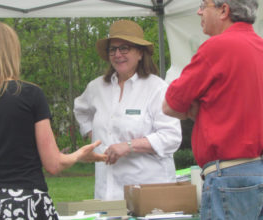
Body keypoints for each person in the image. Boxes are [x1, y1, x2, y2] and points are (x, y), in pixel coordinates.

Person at [0, 21, 107, 219]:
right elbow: (53, 164)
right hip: (28, 201)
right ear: (10, 51)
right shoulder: (31, 95)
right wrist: (78, 155)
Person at [162, 0, 263, 219]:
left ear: (224, 10)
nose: (199, 11)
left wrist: (196, 108)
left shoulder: (216, 47)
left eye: (203, 5)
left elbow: (170, 104)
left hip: (231, 176)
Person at [74, 20, 182, 201]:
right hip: (107, 193)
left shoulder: (157, 88)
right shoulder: (97, 87)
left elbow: (171, 137)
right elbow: (80, 110)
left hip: (149, 193)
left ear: (140, 53)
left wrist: (129, 146)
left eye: (124, 48)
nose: (118, 54)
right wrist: (93, 134)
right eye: (112, 49)